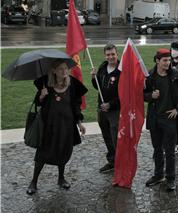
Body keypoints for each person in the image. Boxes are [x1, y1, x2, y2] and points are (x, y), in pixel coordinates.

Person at [26, 60, 88, 195]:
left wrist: (79, 123)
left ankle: (61, 178)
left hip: (66, 126)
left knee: (63, 151)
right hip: (49, 126)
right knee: (42, 153)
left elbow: (75, 106)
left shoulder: (71, 85)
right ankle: (34, 181)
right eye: (60, 69)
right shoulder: (46, 85)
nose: (64, 71)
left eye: (66, 69)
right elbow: (38, 103)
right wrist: (42, 96)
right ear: (53, 71)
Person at [144, 49, 178, 191]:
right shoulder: (150, 76)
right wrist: (150, 96)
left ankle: (171, 178)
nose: (168, 63)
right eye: (164, 60)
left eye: (169, 60)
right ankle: (158, 175)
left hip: (169, 120)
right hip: (154, 118)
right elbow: (142, 94)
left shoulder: (176, 75)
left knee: (170, 151)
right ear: (157, 61)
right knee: (157, 149)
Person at [91, 43, 120, 173]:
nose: (110, 57)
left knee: (116, 138)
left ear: (117, 54)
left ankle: (120, 162)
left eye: (113, 54)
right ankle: (112, 160)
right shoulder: (103, 67)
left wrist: (111, 104)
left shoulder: (121, 70)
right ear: (105, 55)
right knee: (107, 136)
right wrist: (93, 78)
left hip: (115, 111)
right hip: (101, 109)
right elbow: (98, 87)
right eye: (108, 54)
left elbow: (125, 93)